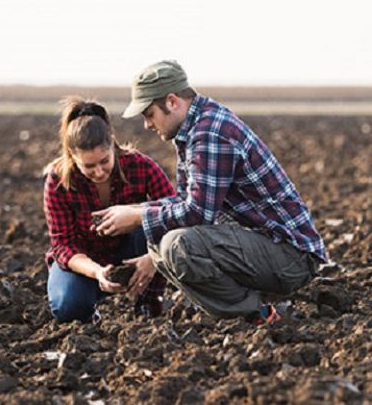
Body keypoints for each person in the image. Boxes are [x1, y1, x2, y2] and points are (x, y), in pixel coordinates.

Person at [95, 60, 327, 324]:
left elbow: (197, 213)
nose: (147, 124)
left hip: (290, 257)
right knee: (160, 237)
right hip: (263, 245)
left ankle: (260, 314)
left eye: (149, 114)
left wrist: (138, 217)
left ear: (172, 102)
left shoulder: (210, 133)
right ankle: (249, 304)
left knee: (177, 245)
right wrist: (136, 213)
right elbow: (186, 200)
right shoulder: (194, 127)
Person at [44, 97, 176, 322]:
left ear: (112, 145)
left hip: (133, 250)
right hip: (86, 259)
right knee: (68, 307)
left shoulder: (140, 166)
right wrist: (97, 272)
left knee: (152, 220)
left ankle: (148, 305)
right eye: (89, 166)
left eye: (104, 161)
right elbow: (63, 244)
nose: (99, 172)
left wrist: (153, 258)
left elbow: (176, 211)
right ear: (72, 156)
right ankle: (89, 313)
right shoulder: (58, 181)